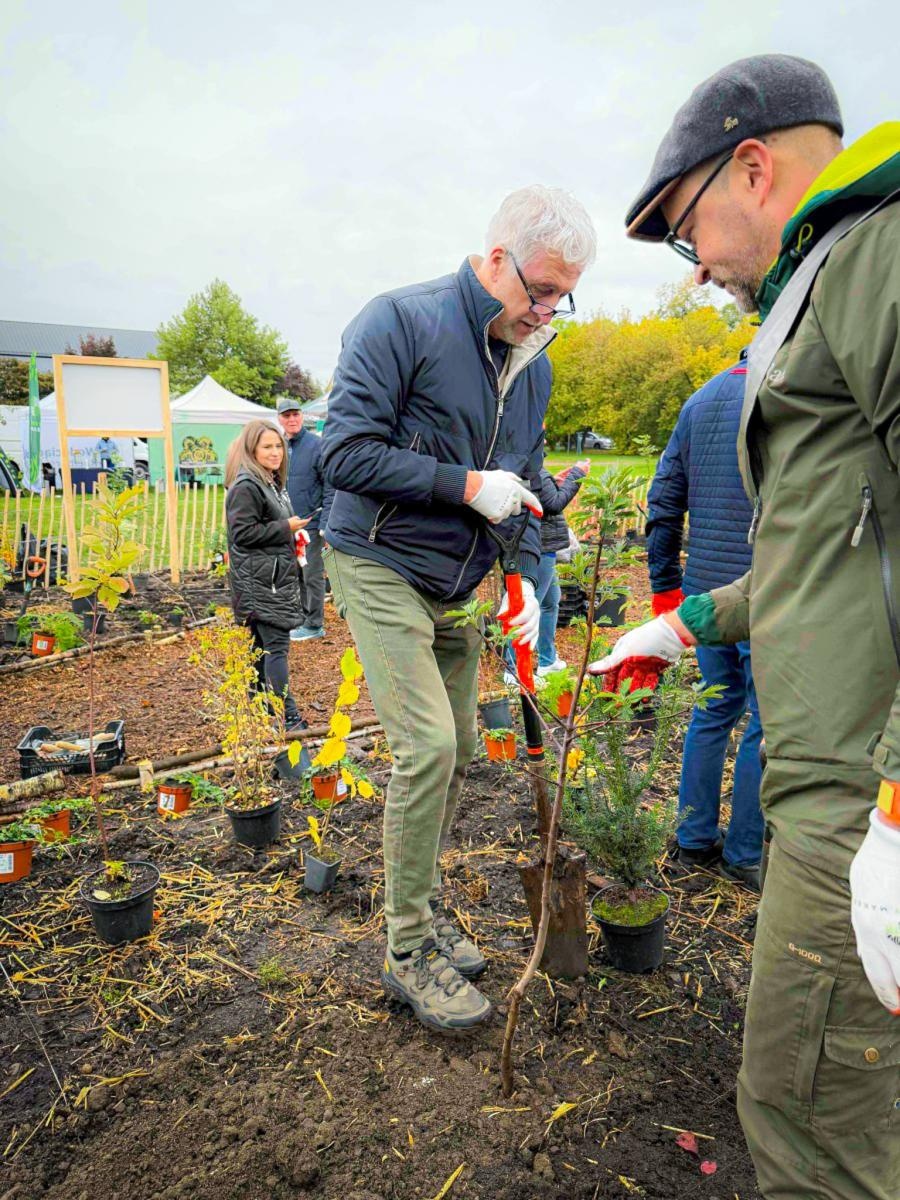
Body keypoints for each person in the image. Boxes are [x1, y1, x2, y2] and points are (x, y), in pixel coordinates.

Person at [593, 54, 899, 1199]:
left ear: (755, 169)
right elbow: (837, 544)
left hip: (863, 795)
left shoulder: (876, 255)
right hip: (843, 787)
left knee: (809, 1125)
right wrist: (685, 624)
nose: (699, 267)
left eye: (688, 233)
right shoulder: (833, 275)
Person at [321, 185, 596, 1034]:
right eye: (538, 290)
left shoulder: (535, 364)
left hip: (456, 581)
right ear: (493, 258)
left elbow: (524, 484)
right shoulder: (400, 322)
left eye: (562, 297)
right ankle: (407, 949)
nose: (546, 310)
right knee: (428, 746)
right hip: (375, 558)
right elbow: (345, 455)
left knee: (465, 743)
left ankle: (427, 908)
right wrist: (464, 486)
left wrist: (524, 575)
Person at [646, 363, 764, 889]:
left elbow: (664, 498)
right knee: (766, 725)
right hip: (766, 592)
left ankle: (693, 837)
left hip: (704, 588)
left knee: (713, 711)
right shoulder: (783, 389)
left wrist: (665, 581)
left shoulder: (701, 400)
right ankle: (743, 854)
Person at [224, 420, 308, 731]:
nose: (276, 453)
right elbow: (243, 533)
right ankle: (289, 717)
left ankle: (258, 714)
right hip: (263, 583)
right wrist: (286, 527)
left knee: (261, 649)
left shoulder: (268, 482)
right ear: (252, 450)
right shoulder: (247, 486)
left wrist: (291, 535)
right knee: (276, 649)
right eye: (267, 447)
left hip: (269, 577)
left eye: (278, 446)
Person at [503, 457, 590, 684]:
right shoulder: (530, 469)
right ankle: (512, 670)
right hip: (538, 549)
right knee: (526, 608)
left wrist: (555, 480)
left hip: (547, 547)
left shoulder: (532, 470)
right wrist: (577, 474)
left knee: (551, 602)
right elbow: (554, 504)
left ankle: (547, 661)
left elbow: (544, 495)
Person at [276, 397, 327, 642]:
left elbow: (330, 484)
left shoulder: (316, 446)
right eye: (287, 416)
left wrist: (325, 521)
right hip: (287, 523)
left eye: (295, 414)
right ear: (280, 419)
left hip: (311, 522)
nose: (292, 419)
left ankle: (315, 624)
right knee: (295, 573)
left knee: (312, 575)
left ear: (302, 417)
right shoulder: (279, 447)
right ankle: (302, 619)